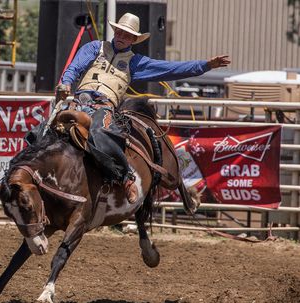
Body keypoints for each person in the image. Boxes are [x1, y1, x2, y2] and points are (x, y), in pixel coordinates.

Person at [55, 12, 231, 203]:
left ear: (134, 39)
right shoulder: (95, 48)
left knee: (103, 134)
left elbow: (171, 69)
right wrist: (66, 83)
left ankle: (125, 178)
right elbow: (74, 67)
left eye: (127, 35)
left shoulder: (135, 62)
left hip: (103, 107)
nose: (122, 37)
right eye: (120, 32)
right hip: (79, 101)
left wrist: (205, 65)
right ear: (115, 31)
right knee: (45, 130)